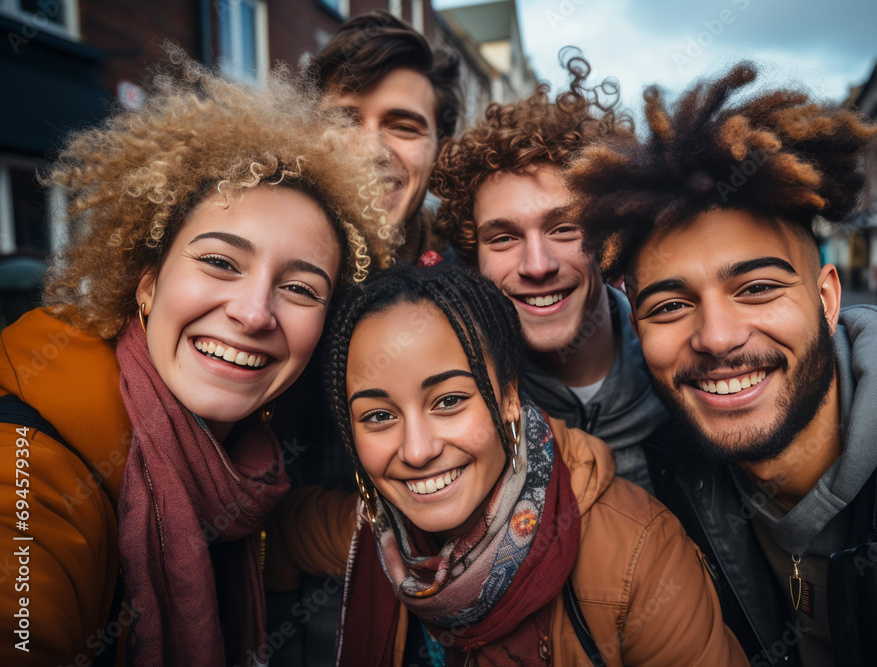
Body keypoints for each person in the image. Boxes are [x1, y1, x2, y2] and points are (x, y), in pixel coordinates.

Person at [568, 61, 877, 666]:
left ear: (826, 299)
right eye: (670, 304)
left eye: (757, 289)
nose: (717, 338)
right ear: (636, 327)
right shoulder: (670, 479)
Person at [0, 51, 391, 666]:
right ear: (147, 283)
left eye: (300, 288)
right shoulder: (32, 456)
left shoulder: (248, 469)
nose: (255, 312)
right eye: (219, 262)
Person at [264, 260, 748, 666]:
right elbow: (279, 531)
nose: (416, 450)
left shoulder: (641, 554)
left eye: (449, 401)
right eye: (378, 415)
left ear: (510, 397)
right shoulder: (376, 534)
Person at [431, 54, 664, 492]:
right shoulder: (461, 402)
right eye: (503, 238)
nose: (538, 265)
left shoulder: (684, 370)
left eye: (564, 229)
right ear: (474, 255)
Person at [314, 10, 461, 259]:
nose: (371, 151)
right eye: (343, 122)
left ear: (440, 156)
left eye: (404, 127)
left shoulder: (478, 281)